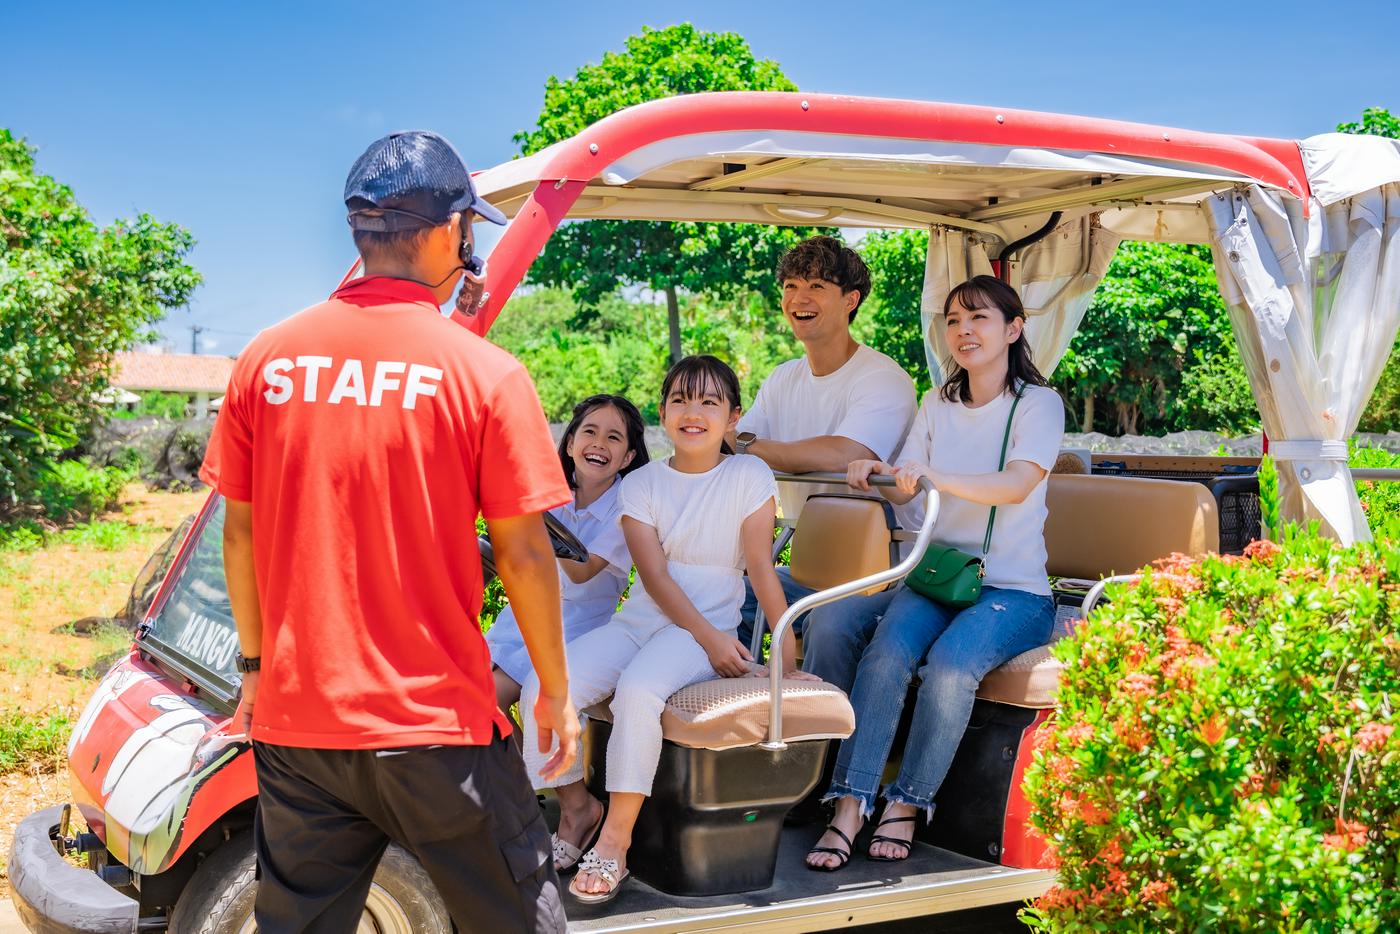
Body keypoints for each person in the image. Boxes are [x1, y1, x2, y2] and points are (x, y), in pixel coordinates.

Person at [201, 130, 579, 932]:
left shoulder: (267, 359)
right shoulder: (483, 373)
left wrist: (256, 667)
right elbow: (521, 551)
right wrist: (554, 689)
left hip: (300, 729)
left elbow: (240, 538)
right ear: (451, 232)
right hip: (436, 729)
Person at [520, 355, 812, 904]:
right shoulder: (644, 483)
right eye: (680, 399)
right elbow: (652, 577)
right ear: (663, 412)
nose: (692, 411)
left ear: (732, 417)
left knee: (638, 692)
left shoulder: (749, 474)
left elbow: (759, 566)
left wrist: (786, 644)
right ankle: (578, 809)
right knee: (540, 685)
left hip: (704, 628)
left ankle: (615, 841)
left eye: (708, 401)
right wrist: (710, 639)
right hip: (650, 621)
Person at [802, 275, 1064, 871]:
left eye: (979, 319)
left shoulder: (1038, 405)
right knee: (887, 655)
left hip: (1012, 591)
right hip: (939, 577)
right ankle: (850, 803)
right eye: (952, 320)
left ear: (1013, 329)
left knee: (948, 667)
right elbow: (910, 490)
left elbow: (1020, 482)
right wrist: (877, 473)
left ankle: (908, 803)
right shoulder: (937, 403)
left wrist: (938, 478)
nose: (963, 332)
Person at [731, 235, 917, 648]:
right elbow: (732, 445)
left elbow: (844, 454)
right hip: (810, 566)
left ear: (850, 300)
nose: (800, 297)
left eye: (817, 286)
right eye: (791, 286)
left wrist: (751, 447)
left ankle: (824, 711)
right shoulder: (783, 377)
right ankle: (739, 698)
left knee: (828, 624)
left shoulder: (882, 379)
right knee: (725, 595)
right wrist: (743, 445)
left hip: (882, 570)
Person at [488, 394, 650, 724]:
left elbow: (583, 570)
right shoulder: (551, 492)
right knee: (469, 693)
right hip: (520, 621)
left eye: (613, 437)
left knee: (491, 700)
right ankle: (514, 775)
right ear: (572, 442)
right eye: (590, 432)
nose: (599, 443)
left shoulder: (627, 508)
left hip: (576, 633)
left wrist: (537, 527)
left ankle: (517, 776)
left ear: (627, 457)